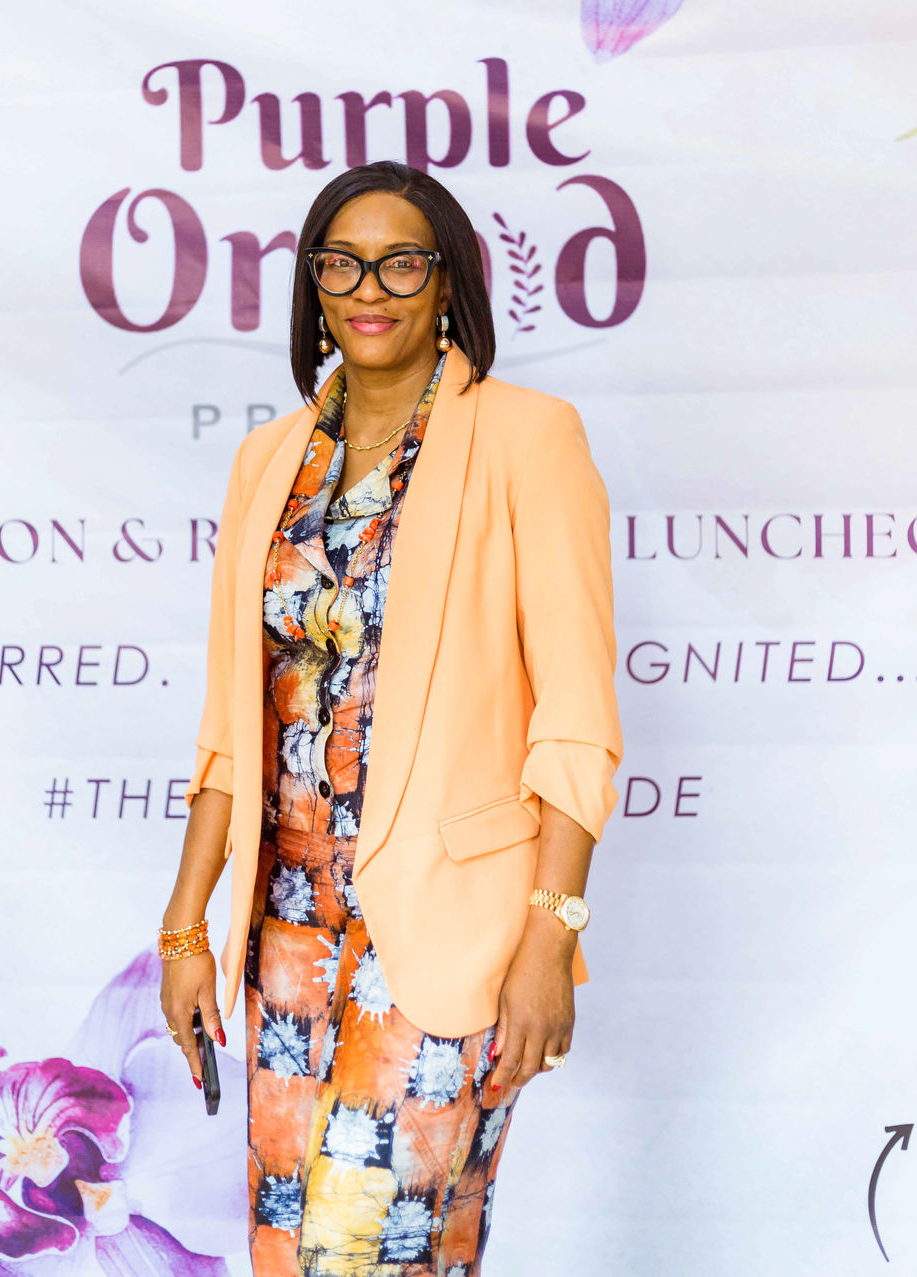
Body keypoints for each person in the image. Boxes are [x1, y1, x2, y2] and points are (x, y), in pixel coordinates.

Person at [159, 159, 623, 1274]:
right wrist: (184, 927)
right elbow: (231, 723)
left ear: (448, 280)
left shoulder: (527, 439)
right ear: (313, 285)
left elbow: (575, 715)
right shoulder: (268, 460)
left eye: (401, 262)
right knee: (295, 1252)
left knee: (369, 1250)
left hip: (445, 930)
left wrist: (550, 935)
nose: (370, 287)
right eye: (342, 263)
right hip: (284, 933)